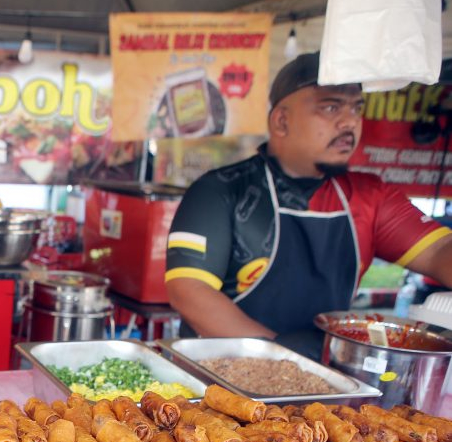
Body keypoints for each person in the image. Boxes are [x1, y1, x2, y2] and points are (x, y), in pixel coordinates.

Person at [165, 52, 452, 358]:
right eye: (330, 107)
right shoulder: (219, 191)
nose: (349, 122)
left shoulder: (370, 196)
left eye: (356, 108)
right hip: (222, 377)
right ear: (281, 121)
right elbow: (189, 291)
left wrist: (306, 368)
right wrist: (283, 357)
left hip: (323, 379)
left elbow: (437, 251)